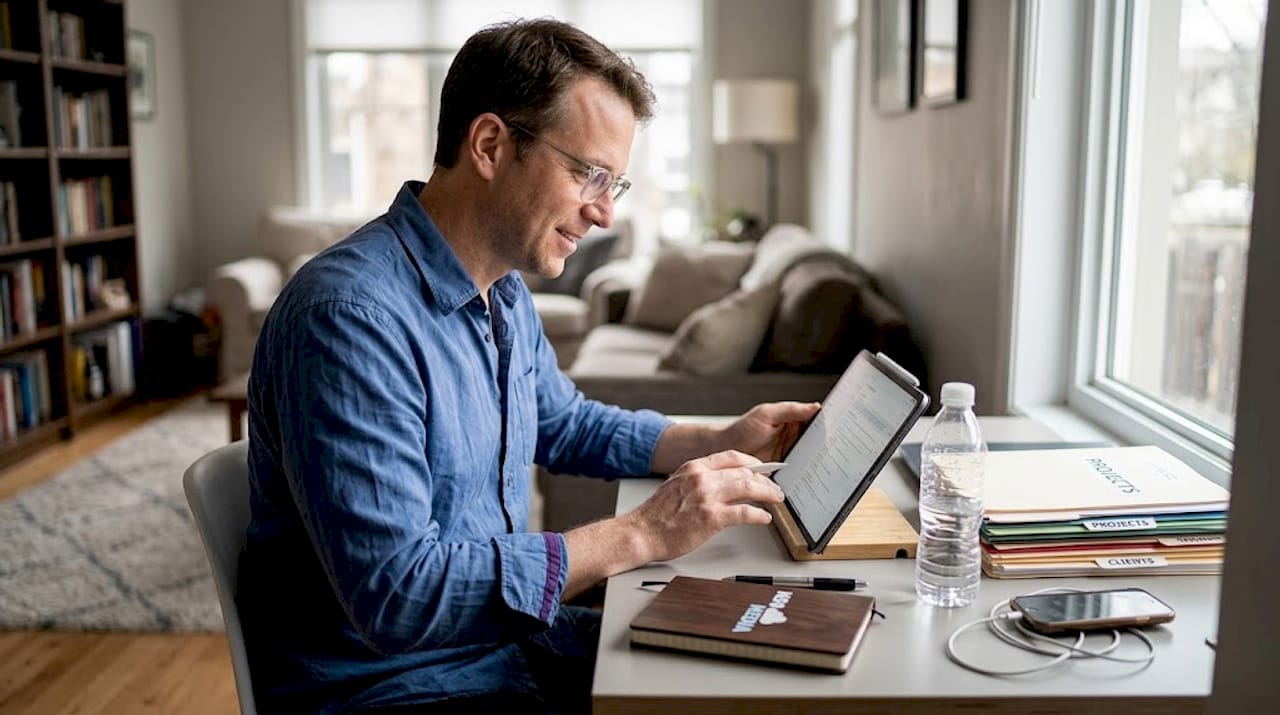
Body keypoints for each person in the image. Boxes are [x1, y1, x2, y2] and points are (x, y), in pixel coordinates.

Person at [240, 17, 819, 715]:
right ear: (490, 144)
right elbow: (398, 594)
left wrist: (721, 437)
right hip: (392, 685)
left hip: (504, 642)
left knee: (753, 662)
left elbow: (562, 421)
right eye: (589, 173)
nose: (603, 211)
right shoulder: (348, 319)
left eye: (616, 183)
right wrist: (639, 530)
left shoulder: (501, 288)